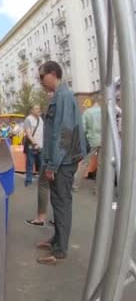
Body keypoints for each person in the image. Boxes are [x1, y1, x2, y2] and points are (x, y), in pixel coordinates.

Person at [36, 61, 86, 265]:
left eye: (42, 76)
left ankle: (59, 252)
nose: (40, 81)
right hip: (60, 161)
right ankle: (57, 239)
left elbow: (64, 135)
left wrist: (52, 165)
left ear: (53, 74)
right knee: (58, 203)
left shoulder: (64, 97)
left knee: (62, 204)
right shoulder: (59, 96)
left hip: (62, 163)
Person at [73, 97, 102, 192]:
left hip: (91, 140)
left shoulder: (87, 112)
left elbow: (83, 129)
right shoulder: (105, 111)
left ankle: (75, 185)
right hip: (104, 141)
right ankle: (97, 188)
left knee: (84, 164)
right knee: (101, 165)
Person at [24, 105, 44, 187]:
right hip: (32, 147)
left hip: (41, 146)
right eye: (36, 108)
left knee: (42, 164)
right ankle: (28, 181)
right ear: (32, 110)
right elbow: (29, 134)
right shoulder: (28, 119)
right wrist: (35, 144)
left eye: (39, 108)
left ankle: (42, 181)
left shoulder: (41, 119)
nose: (38, 110)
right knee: (30, 164)